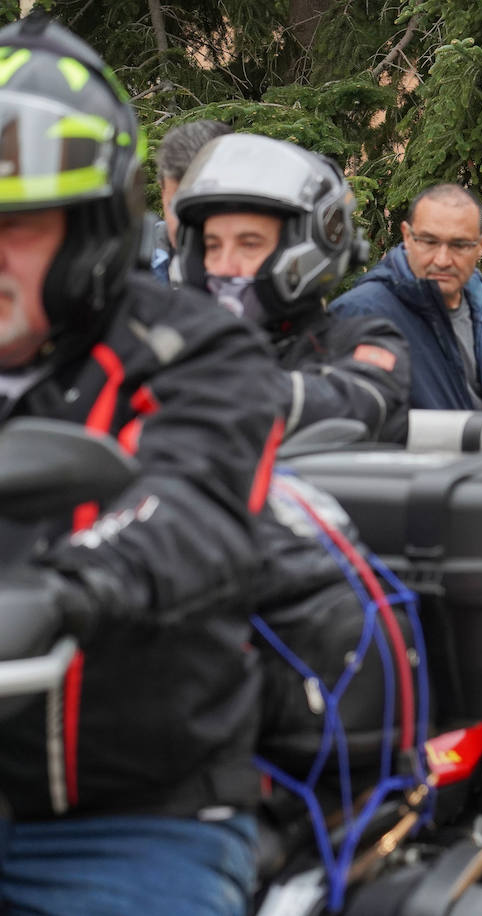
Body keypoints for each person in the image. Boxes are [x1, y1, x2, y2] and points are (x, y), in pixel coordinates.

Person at [0, 17, 284, 914]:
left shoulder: (196, 349)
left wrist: (60, 588)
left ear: (90, 226)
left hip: (125, 818)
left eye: (17, 222)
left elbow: (195, 500)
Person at [171, 133, 411, 443]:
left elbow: (360, 402)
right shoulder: (174, 344)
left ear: (308, 246)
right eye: (212, 246)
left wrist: (201, 388)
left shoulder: (365, 341)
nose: (225, 266)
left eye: (249, 244)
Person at [329, 184, 482, 414]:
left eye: (459, 245)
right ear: (407, 236)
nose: (443, 259)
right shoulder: (359, 313)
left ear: (481, 245)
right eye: (429, 241)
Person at [150, 119, 232, 282]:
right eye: (179, 205)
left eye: (209, 207)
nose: (192, 226)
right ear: (163, 192)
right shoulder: (133, 270)